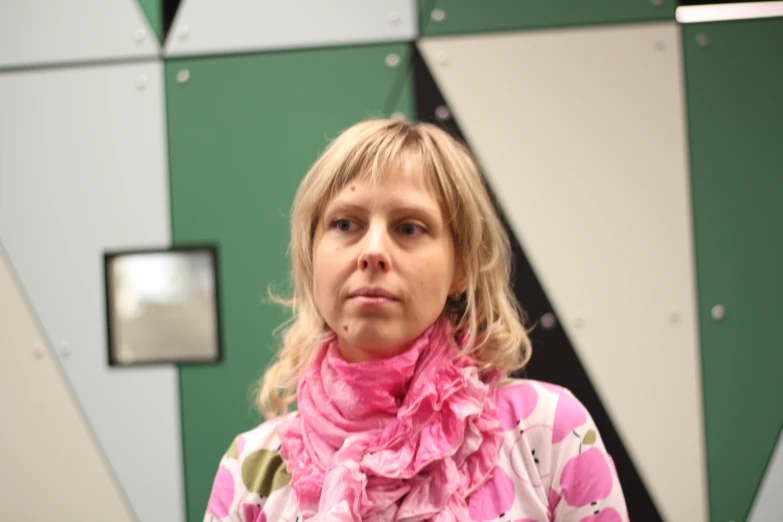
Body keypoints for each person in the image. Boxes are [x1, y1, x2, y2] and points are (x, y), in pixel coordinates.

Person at [202, 118, 628, 522]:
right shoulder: (249, 471)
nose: (372, 251)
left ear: (460, 267)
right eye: (345, 223)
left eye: (409, 228)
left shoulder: (550, 433)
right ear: (311, 257)